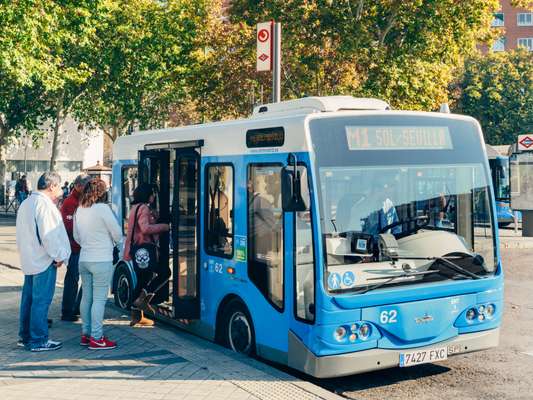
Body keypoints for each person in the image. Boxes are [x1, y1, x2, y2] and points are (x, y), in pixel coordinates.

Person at [16, 172, 71, 352]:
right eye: (60, 186)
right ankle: (38, 340)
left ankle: (25, 336)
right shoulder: (44, 205)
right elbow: (49, 235)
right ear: (52, 186)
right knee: (41, 301)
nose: (61, 190)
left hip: (30, 258)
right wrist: (59, 256)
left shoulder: (27, 203)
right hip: (44, 260)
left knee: (29, 300)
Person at [74, 178, 122, 350]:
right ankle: (96, 337)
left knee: (87, 297)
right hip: (101, 259)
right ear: (102, 193)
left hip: (84, 258)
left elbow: (76, 236)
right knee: (99, 300)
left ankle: (85, 334)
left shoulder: (80, 209)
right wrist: (114, 243)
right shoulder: (103, 209)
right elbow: (116, 232)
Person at [123, 183, 170, 327]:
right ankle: (143, 299)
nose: (154, 196)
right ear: (147, 195)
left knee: (142, 280)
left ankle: (136, 316)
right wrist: (164, 227)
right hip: (145, 250)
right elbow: (145, 228)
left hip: (135, 249)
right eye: (152, 194)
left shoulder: (134, 208)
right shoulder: (143, 208)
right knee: (165, 272)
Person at [60, 173, 91, 321]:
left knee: (85, 279)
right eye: (86, 186)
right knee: (72, 279)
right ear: (78, 186)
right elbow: (69, 227)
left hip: (83, 247)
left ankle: (77, 307)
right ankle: (67, 310)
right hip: (75, 248)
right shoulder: (70, 202)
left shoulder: (82, 200)